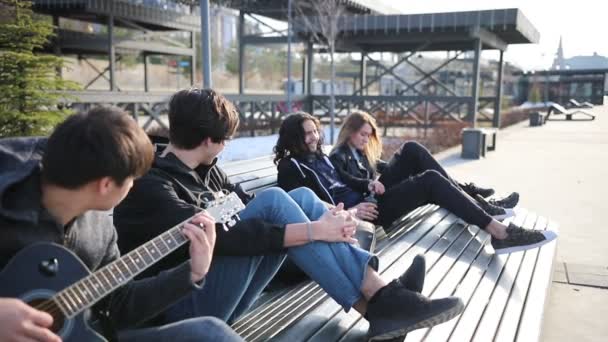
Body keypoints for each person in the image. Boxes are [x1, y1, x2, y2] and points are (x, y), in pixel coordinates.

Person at [113, 88, 464, 341]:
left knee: (300, 197)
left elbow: (248, 204)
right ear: (208, 140)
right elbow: (231, 237)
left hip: (223, 286)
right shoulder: (154, 184)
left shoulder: (209, 169)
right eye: (225, 140)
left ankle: (381, 301)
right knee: (279, 201)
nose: (226, 147)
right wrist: (315, 231)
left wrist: (326, 214)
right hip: (185, 304)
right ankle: (384, 301)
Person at [0, 107, 242, 342]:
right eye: (131, 179)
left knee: (210, 334)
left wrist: (192, 272)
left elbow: (118, 305)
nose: (134, 186)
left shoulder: (99, 230)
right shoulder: (9, 197)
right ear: (105, 185)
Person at [274, 111, 558, 255]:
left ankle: (486, 213)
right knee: (431, 181)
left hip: (368, 203)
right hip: (360, 219)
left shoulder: (320, 157)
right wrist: (351, 212)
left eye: (315, 131)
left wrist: (369, 186)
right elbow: (300, 206)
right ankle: (500, 232)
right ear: (292, 137)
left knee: (413, 153)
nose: (313, 137)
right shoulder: (289, 168)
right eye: (306, 134)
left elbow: (343, 180)